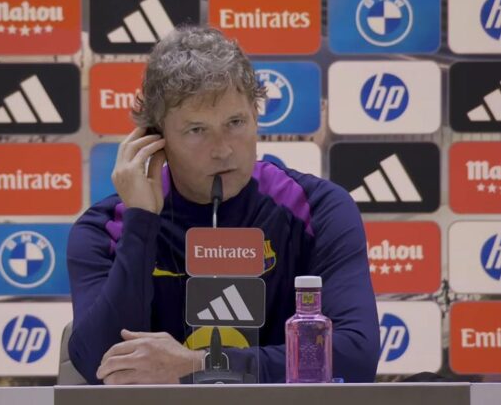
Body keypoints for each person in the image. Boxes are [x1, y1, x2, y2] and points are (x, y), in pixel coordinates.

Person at [67, 25, 379, 385]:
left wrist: (201, 364)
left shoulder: (318, 209)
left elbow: (356, 355)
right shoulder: (107, 228)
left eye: (235, 122)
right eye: (197, 130)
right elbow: (100, 365)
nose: (223, 149)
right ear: (156, 138)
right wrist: (140, 224)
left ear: (256, 117)